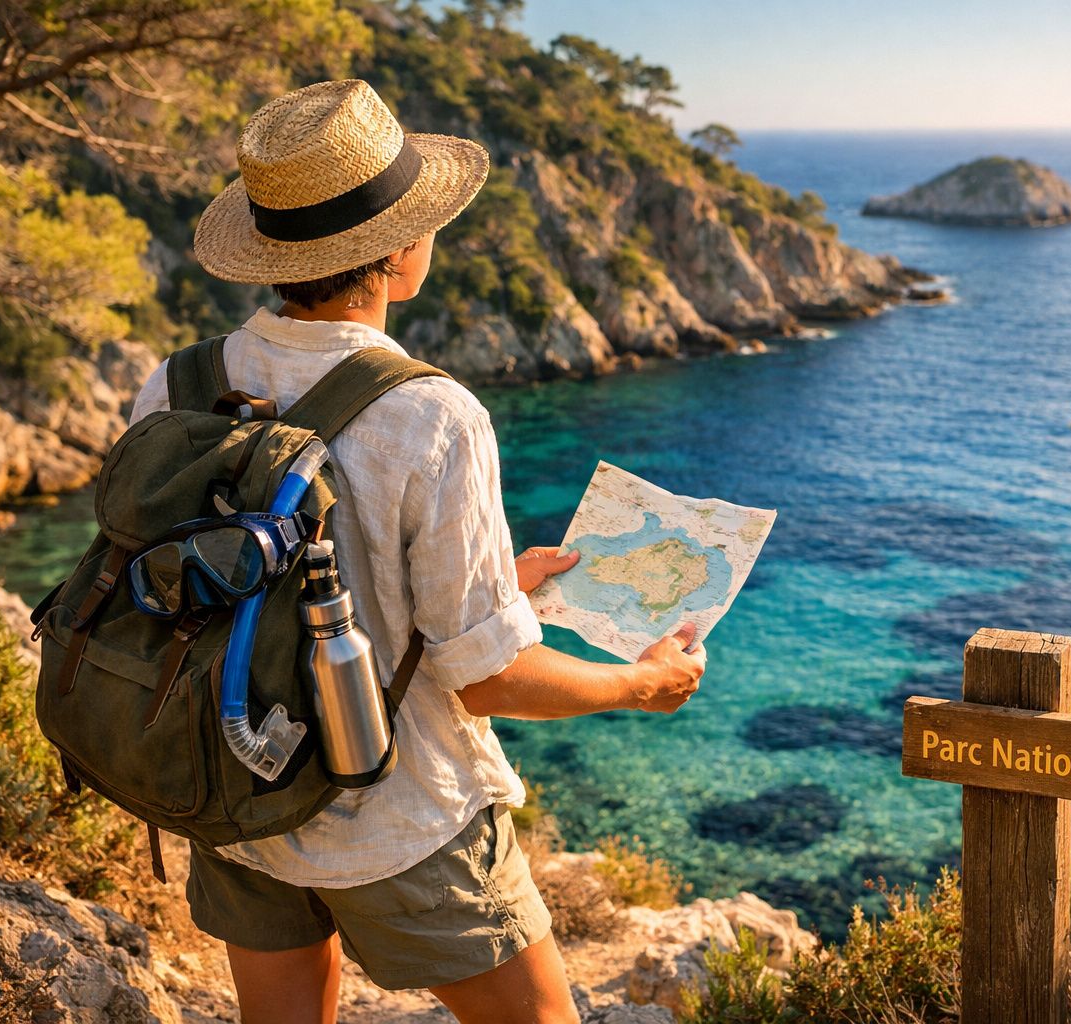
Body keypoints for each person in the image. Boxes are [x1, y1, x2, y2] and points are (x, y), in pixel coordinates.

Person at [128, 79, 708, 1024]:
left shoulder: (180, 382)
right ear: (400, 252)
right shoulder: (430, 414)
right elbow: (488, 682)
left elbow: (211, 578)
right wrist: (640, 684)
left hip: (233, 792)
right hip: (394, 821)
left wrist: (494, 589)